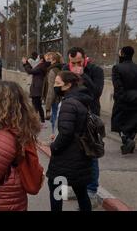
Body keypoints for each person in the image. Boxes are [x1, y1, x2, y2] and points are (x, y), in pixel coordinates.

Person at [0, 80, 41, 211]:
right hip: (9, 201)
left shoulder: (3, 137)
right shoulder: (12, 128)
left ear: (3, 103)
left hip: (2, 203)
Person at [46, 71, 93, 211]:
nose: (55, 86)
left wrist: (54, 146)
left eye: (58, 84)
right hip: (80, 155)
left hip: (66, 157)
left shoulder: (68, 103)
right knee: (81, 192)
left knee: (57, 190)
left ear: (68, 85)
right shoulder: (80, 100)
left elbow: (66, 132)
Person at [63, 47, 104, 206]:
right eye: (72, 63)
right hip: (72, 116)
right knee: (75, 154)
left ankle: (92, 191)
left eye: (79, 62)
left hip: (90, 117)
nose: (75, 65)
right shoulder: (67, 69)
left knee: (91, 153)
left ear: (85, 59)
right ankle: (78, 187)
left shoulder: (95, 70)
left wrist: (83, 75)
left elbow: (96, 93)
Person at [111, 46, 137, 154]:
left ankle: (127, 140)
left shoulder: (117, 68)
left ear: (123, 54)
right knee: (133, 122)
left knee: (119, 122)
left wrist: (120, 98)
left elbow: (118, 86)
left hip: (123, 99)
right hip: (136, 99)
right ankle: (129, 143)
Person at [42, 52, 64, 141]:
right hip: (61, 98)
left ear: (54, 60)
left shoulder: (52, 71)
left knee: (55, 121)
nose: (48, 61)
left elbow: (51, 89)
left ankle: (54, 140)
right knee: (58, 120)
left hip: (55, 99)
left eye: (50, 59)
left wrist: (47, 107)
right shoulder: (62, 68)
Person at [22, 55, 48, 127]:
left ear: (42, 59)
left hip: (37, 88)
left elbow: (30, 71)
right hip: (37, 88)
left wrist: (25, 64)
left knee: (35, 106)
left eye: (38, 58)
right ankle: (41, 121)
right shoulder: (41, 66)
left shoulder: (41, 66)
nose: (37, 59)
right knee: (38, 105)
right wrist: (26, 63)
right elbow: (32, 70)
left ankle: (36, 122)